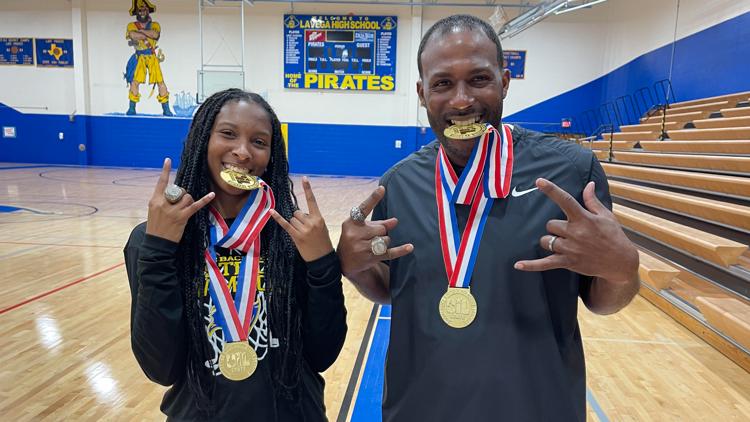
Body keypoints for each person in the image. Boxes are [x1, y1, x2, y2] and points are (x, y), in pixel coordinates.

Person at [337, 14, 639, 422]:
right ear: (422, 93)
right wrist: (354, 268)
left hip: (537, 407)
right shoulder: (398, 184)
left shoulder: (571, 173)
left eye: (479, 79)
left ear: (505, 82)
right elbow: (393, 291)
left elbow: (603, 301)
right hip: (421, 407)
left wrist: (623, 270)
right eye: (443, 83)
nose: (462, 100)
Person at [125, 88, 347, 421]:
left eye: (259, 142)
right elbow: (161, 368)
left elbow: (321, 355)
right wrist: (158, 250)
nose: (242, 152)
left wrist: (322, 264)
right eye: (228, 134)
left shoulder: (294, 236)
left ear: (272, 155)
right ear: (203, 139)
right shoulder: (154, 240)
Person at [124, 0, 173, 116]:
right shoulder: (131, 26)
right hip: (139, 57)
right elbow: (133, 35)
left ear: (148, 11)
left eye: (144, 9)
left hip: (151, 56)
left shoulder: (155, 25)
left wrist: (140, 32)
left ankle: (166, 109)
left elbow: (155, 35)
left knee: (160, 82)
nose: (142, 12)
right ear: (136, 12)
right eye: (140, 10)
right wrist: (146, 33)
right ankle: (132, 108)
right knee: (134, 82)